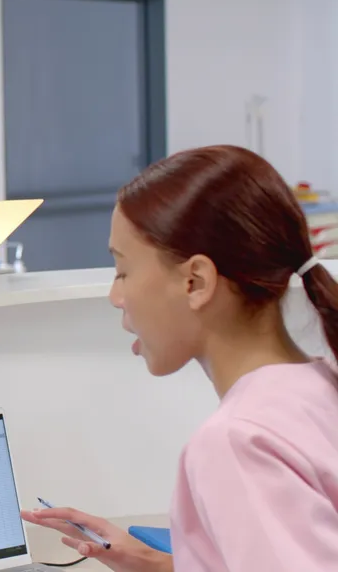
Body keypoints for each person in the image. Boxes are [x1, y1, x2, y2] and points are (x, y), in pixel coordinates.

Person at [21, 145, 338, 571]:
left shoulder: (238, 442)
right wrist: (157, 561)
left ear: (195, 282)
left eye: (122, 271)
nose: (116, 297)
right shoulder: (320, 384)